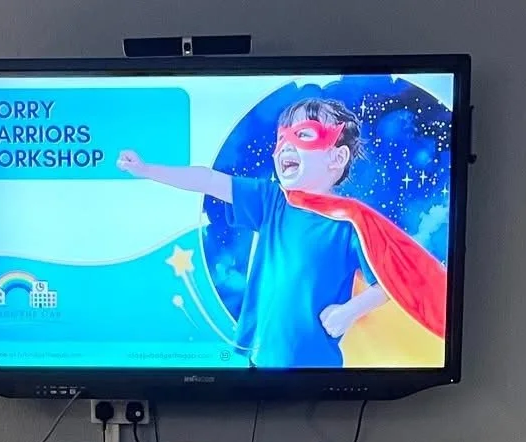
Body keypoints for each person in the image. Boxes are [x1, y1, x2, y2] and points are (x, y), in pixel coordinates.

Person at [119, 97, 446, 369]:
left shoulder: (350, 224)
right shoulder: (272, 201)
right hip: (259, 364)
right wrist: (147, 170)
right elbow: (207, 181)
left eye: (303, 135)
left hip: (318, 370)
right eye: (281, 140)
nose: (285, 147)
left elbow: (390, 282)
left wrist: (349, 312)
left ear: (338, 156)